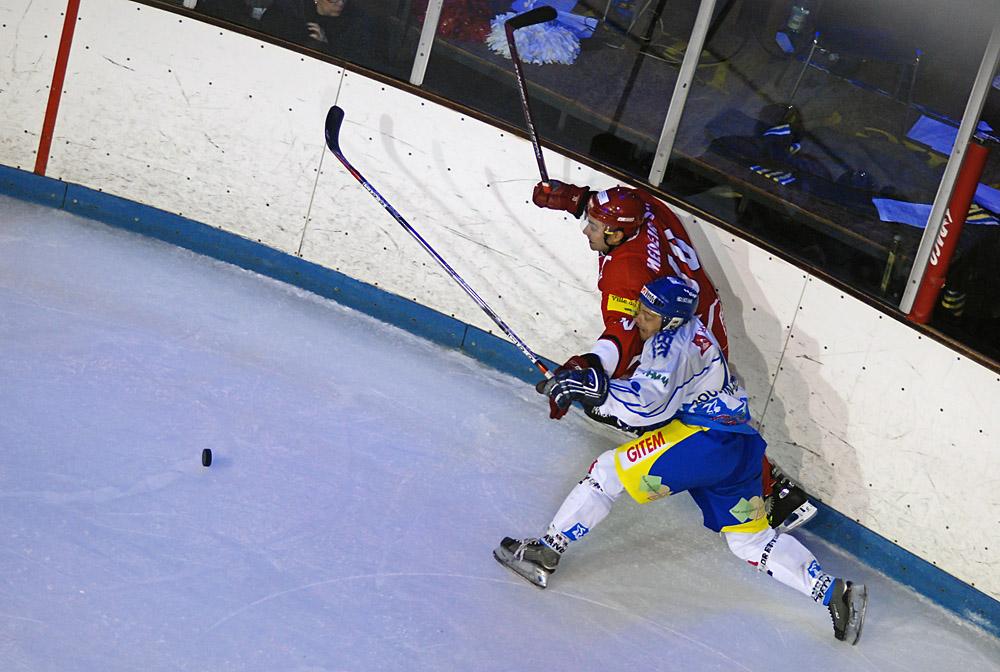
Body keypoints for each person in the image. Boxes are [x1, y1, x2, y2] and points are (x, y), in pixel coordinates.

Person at [494, 276, 868, 645]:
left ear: (670, 320)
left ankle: (546, 552)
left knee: (609, 470)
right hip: (739, 446)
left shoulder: (669, 348)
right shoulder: (690, 330)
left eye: (649, 315)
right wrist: (591, 387)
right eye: (640, 309)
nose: (640, 319)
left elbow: (646, 406)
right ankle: (834, 592)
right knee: (749, 542)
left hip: (705, 442)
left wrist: (593, 392)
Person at [532, 180, 815, 531]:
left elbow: (625, 333)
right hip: (700, 315)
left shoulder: (626, 273)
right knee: (699, 406)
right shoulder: (646, 209)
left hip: (682, 335)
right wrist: (578, 199)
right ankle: (764, 482)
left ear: (618, 236)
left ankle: (774, 496)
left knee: (683, 411)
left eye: (594, 226)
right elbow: (624, 201)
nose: (586, 230)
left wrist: (589, 367)